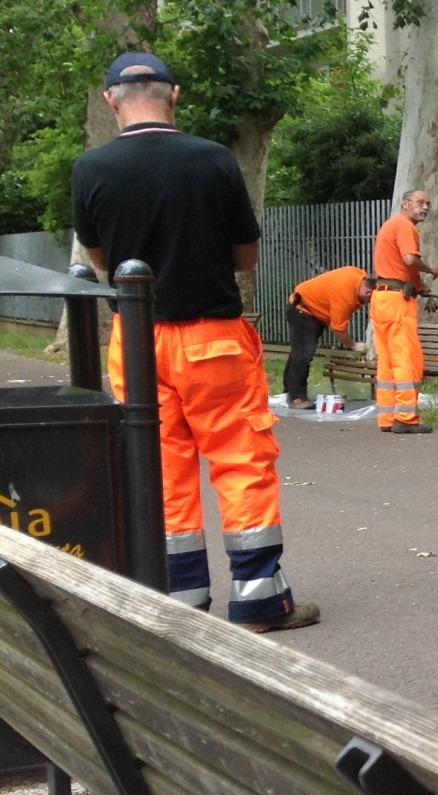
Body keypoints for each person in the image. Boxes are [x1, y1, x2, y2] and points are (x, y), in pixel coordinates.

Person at [71, 51, 319, 633]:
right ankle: (258, 603)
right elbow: (246, 257)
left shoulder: (91, 168)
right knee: (241, 462)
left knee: (159, 471)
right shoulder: (213, 160)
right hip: (215, 340)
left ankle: (179, 602)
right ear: (174, 95)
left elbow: (101, 260)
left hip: (136, 341)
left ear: (110, 101)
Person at [371, 189, 437, 434]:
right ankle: (406, 418)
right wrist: (430, 270)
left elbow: (401, 268)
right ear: (405, 203)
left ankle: (387, 417)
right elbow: (410, 260)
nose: (425, 207)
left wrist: (421, 287)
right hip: (398, 301)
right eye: (420, 202)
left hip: (382, 297)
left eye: (428, 203)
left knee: (387, 361)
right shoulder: (405, 226)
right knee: (407, 359)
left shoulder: (390, 225)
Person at [283, 266, 373, 408]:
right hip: (303, 310)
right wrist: (354, 345)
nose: (368, 303)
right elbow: (338, 329)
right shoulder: (345, 296)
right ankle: (296, 398)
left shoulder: (359, 275)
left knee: (299, 353)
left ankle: (289, 391)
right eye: (370, 299)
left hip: (310, 308)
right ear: (368, 292)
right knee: (303, 355)